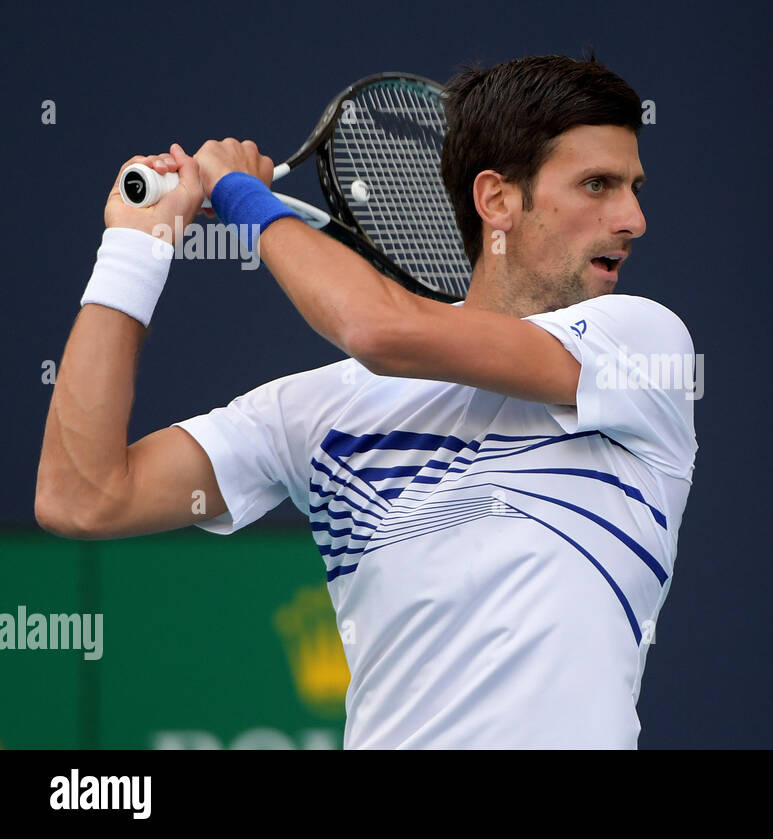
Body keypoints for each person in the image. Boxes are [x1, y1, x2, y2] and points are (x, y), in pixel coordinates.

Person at [35, 53, 697, 748]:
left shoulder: (643, 350)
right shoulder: (317, 412)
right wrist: (134, 250)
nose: (633, 218)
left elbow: (376, 327)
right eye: (598, 185)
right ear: (498, 200)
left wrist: (241, 196)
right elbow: (81, 496)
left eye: (633, 187)